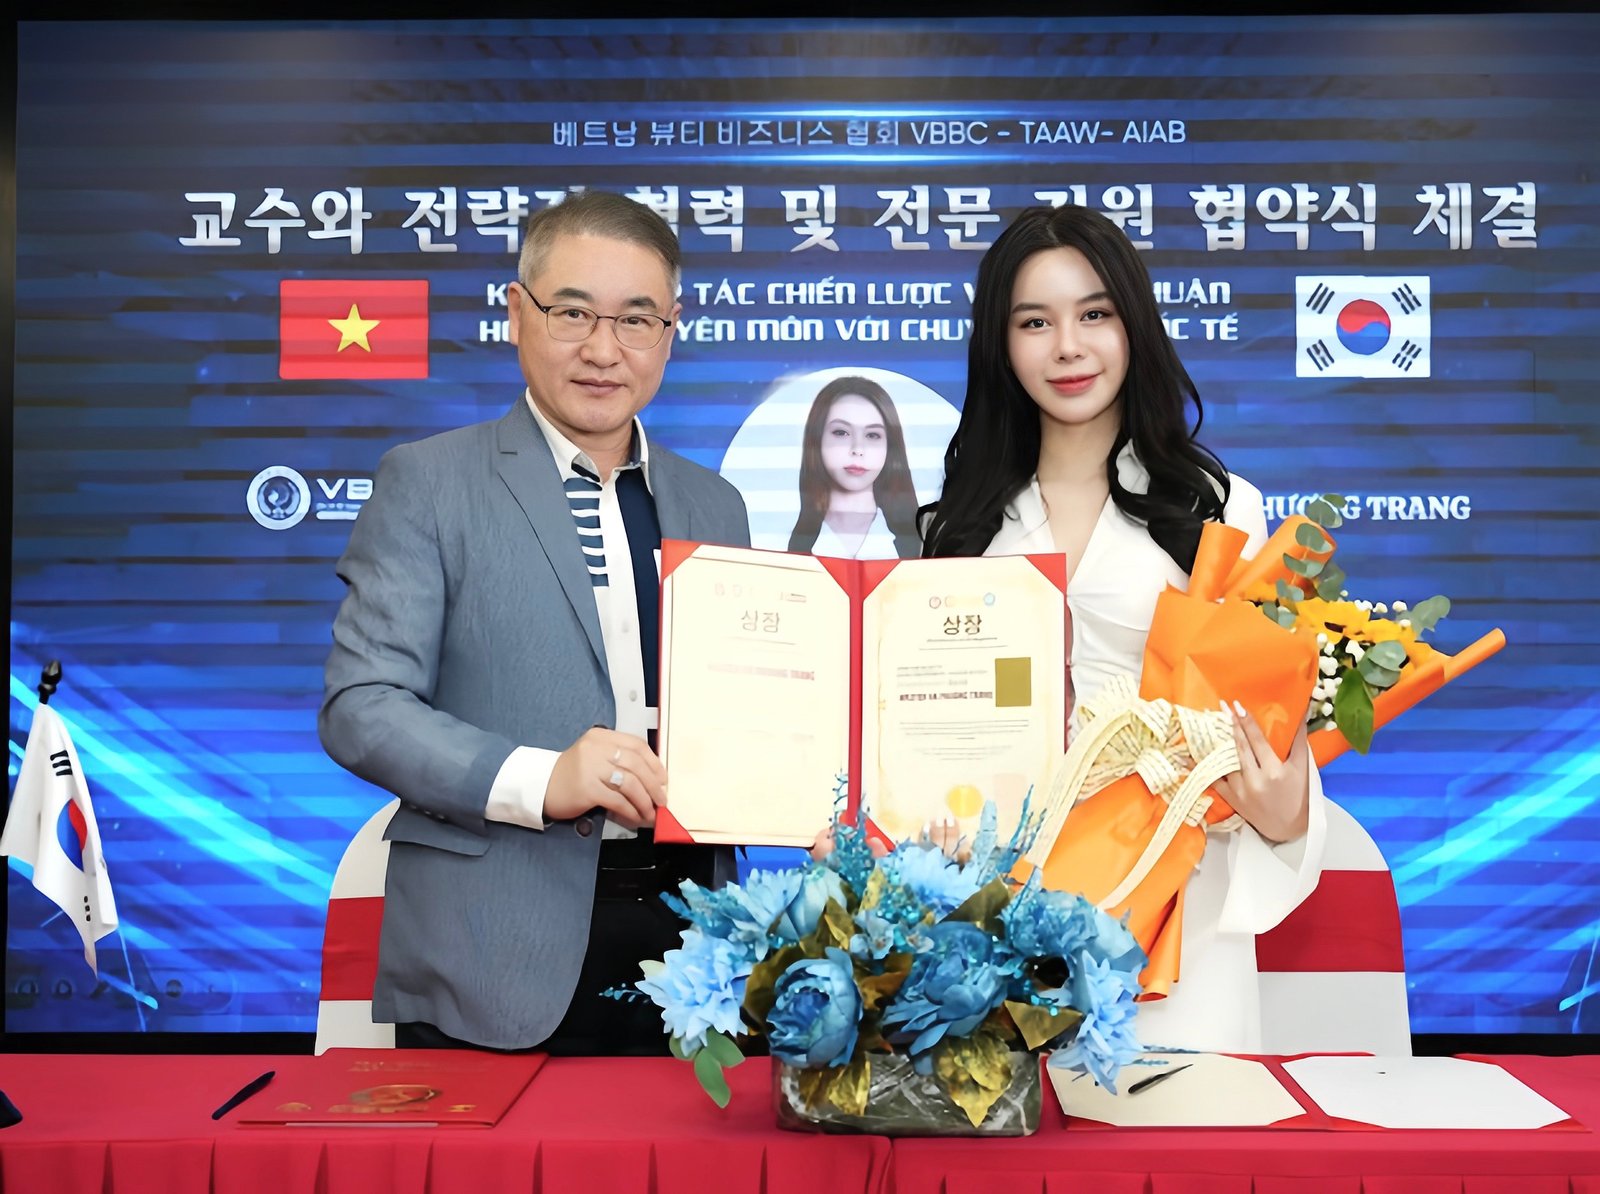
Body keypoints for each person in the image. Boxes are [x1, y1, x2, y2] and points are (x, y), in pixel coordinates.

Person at [319, 191, 750, 1054]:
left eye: (636, 320)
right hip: (491, 950)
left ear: (671, 331)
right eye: (572, 313)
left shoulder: (717, 504)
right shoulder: (429, 482)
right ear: (517, 314)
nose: (603, 349)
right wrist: (541, 777)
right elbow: (361, 707)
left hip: (697, 946)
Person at [921, 204, 1326, 1052]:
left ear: (1133, 324)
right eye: (1035, 322)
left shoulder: (1221, 508)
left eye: (1095, 314)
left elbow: (1266, 724)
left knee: (1183, 1127)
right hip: (992, 907)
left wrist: (1285, 805)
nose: (1068, 347)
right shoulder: (956, 526)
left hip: (1175, 905)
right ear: (1000, 344)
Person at [787, 375, 920, 559]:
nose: (858, 449)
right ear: (817, 440)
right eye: (841, 432)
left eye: (872, 435)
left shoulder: (922, 543)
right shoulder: (782, 544)